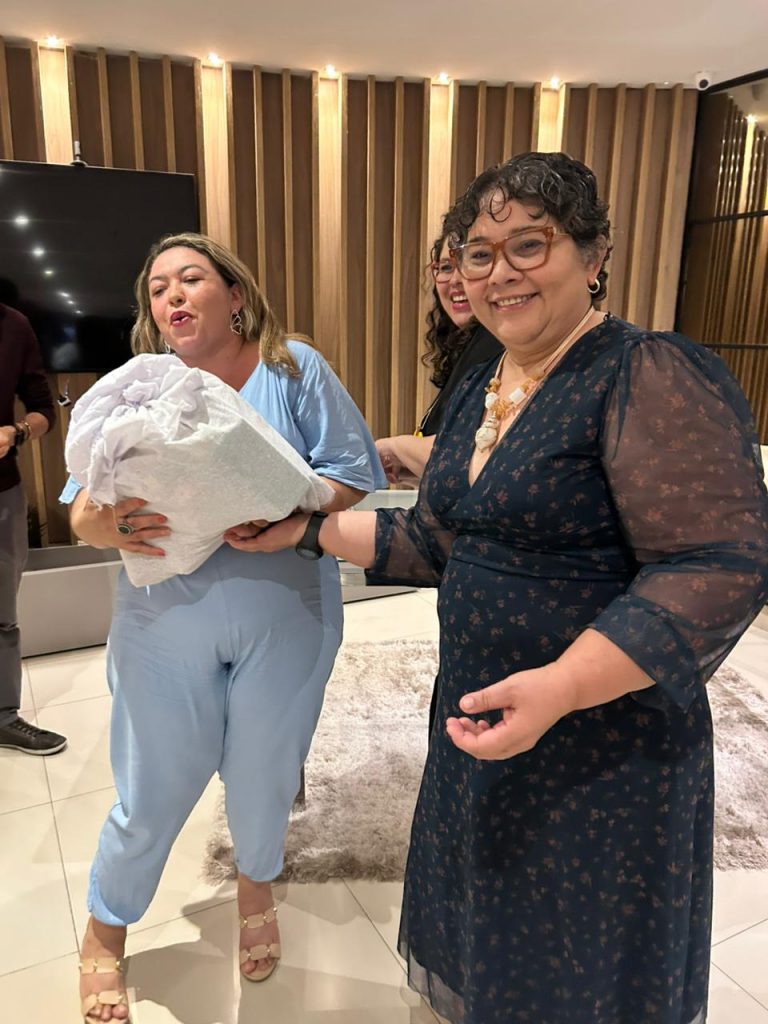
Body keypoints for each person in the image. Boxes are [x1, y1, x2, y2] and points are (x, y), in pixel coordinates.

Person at [245, 153, 768, 1024]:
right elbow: (441, 541)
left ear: (594, 256)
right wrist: (300, 531)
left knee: (577, 956)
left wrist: (562, 685)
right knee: (497, 927)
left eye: (531, 244)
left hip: (604, 741)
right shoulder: (483, 382)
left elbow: (717, 565)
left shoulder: (644, 371)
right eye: (479, 253)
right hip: (481, 715)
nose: (498, 273)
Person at [62, 233, 386, 1023]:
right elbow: (81, 512)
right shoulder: (137, 390)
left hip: (289, 615)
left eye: (190, 279)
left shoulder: (293, 368)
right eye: (158, 288)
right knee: (153, 785)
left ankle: (255, 891)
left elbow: (350, 474)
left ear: (235, 295)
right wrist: (111, 527)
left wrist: (291, 513)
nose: (172, 295)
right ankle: (106, 929)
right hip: (162, 623)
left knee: (265, 773)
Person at [375, 229, 501, 486]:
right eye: (445, 267)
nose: (456, 279)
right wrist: (407, 467)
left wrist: (395, 448)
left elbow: (480, 457)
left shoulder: (497, 342)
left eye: (475, 260)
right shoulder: (473, 345)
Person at [0, 302, 67, 755]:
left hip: (2, 492)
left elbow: (45, 410)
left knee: (2, 616)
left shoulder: (13, 325)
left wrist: (16, 433)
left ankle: (3, 717)